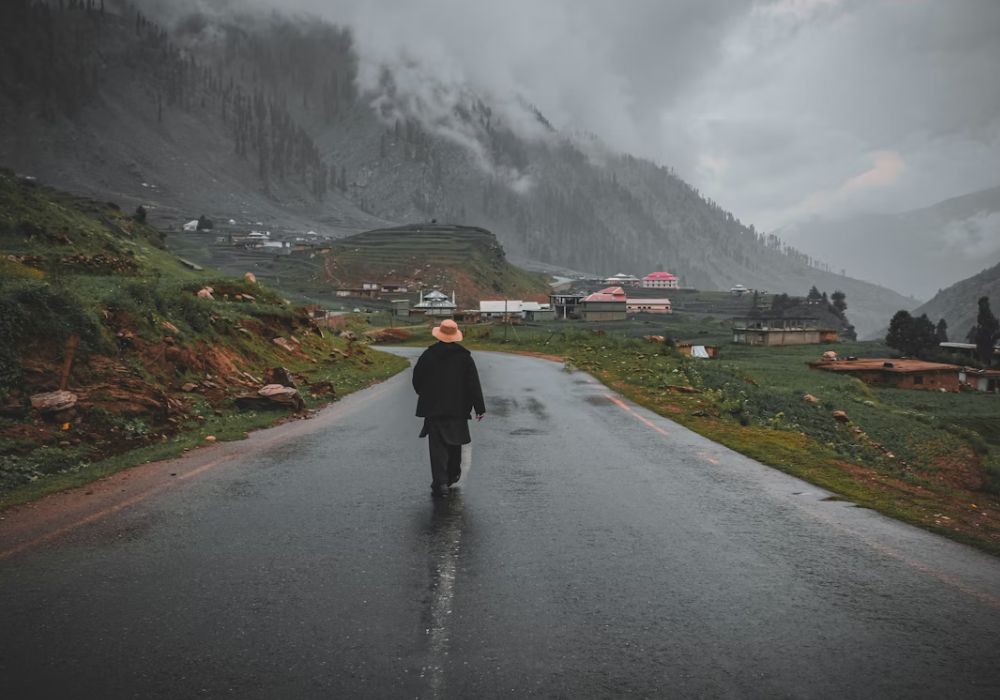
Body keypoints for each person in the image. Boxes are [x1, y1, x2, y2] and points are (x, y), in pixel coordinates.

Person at [412, 319, 486, 497]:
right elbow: (473, 384)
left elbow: (417, 379)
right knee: (455, 443)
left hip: (434, 409)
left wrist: (425, 394)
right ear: (455, 336)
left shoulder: (428, 355)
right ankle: (452, 475)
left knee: (437, 448)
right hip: (458, 409)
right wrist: (479, 407)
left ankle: (441, 482)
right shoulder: (464, 357)